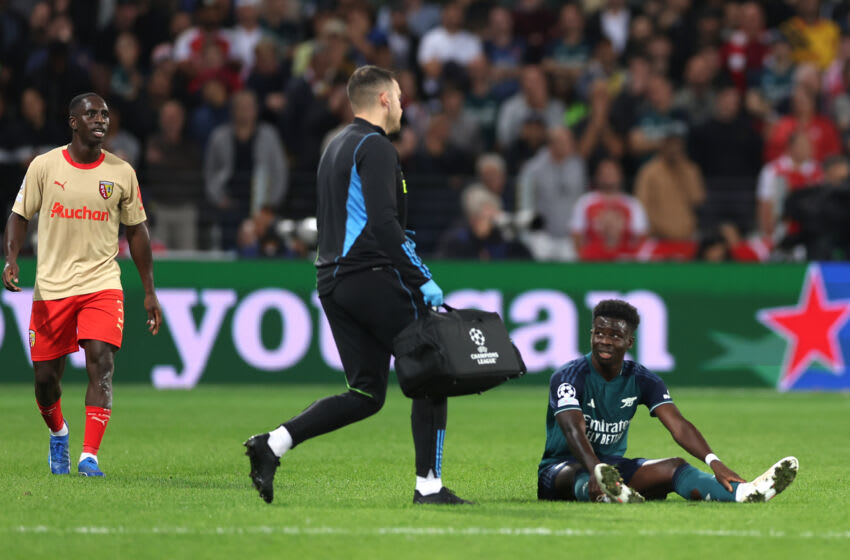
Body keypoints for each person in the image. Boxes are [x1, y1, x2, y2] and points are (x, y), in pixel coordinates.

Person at [243, 65, 471, 506]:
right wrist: (422, 278)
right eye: (401, 97)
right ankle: (429, 487)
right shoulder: (376, 146)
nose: (404, 105)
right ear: (384, 99)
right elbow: (384, 224)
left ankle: (272, 444)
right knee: (433, 372)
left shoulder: (336, 146)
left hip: (332, 280)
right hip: (369, 275)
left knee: (366, 392)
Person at [2, 92, 162, 477]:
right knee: (45, 381)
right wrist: (11, 258)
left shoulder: (122, 172)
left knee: (101, 363)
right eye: (91, 113)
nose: (100, 119)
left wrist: (150, 290)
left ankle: (89, 456)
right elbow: (19, 215)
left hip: (102, 282)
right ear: (73, 121)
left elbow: (137, 232)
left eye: (105, 114)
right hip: (52, 287)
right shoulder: (45, 166)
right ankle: (59, 433)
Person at [537, 299, 798, 504]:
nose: (605, 340)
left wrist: (714, 461)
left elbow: (679, 426)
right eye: (599, 333)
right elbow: (573, 429)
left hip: (612, 469)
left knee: (675, 467)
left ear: (629, 341)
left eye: (615, 336)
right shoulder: (568, 377)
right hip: (561, 470)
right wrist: (595, 470)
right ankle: (606, 493)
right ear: (591, 333)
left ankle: (742, 493)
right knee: (582, 475)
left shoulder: (642, 379)